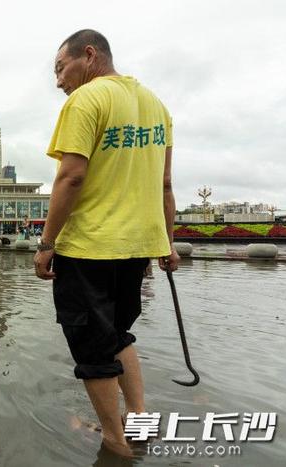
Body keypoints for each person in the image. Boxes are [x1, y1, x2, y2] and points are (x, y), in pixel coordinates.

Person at [33, 30, 180, 456]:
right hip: (137, 247)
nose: (59, 81)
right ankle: (137, 420)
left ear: (90, 55)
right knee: (118, 333)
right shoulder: (157, 106)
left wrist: (46, 244)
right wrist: (167, 244)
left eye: (61, 68)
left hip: (90, 247)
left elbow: (72, 176)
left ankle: (115, 444)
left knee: (93, 346)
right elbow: (165, 184)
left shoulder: (85, 100)